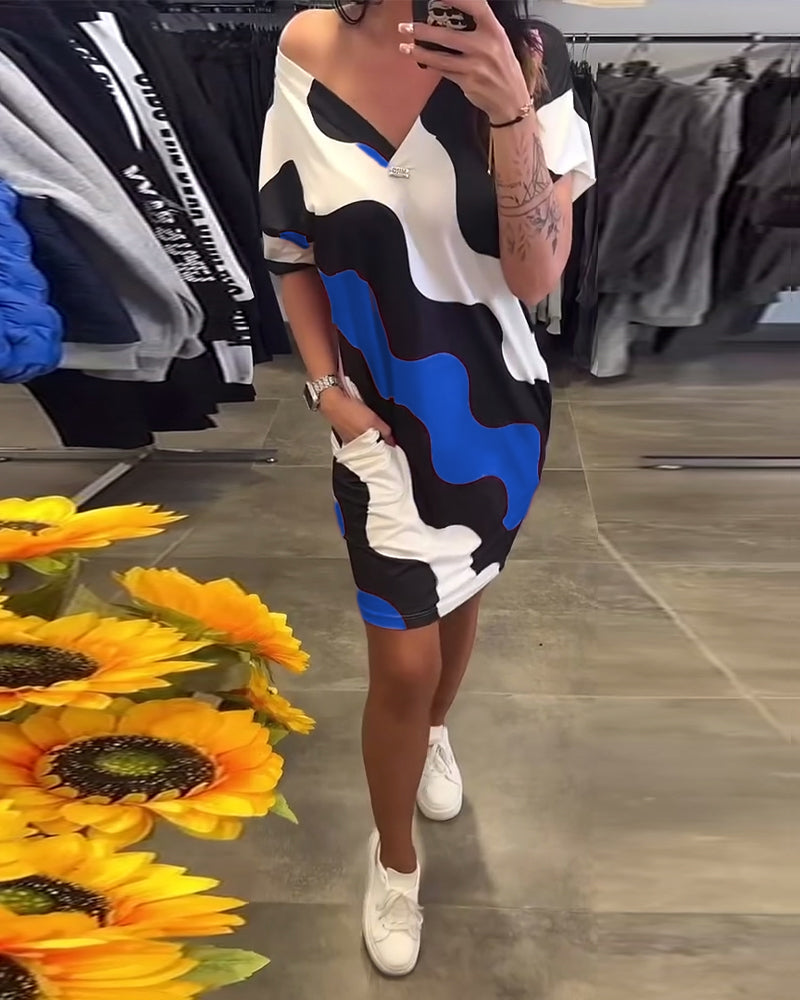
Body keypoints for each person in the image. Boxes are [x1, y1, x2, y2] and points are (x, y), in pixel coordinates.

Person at [259, 0, 595, 976]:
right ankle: (395, 860)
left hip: (495, 416)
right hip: (376, 415)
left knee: (462, 596)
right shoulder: (307, 46)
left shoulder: (532, 56)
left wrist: (506, 110)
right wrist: (325, 389)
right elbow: (289, 244)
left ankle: (437, 732)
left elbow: (535, 276)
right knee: (401, 662)